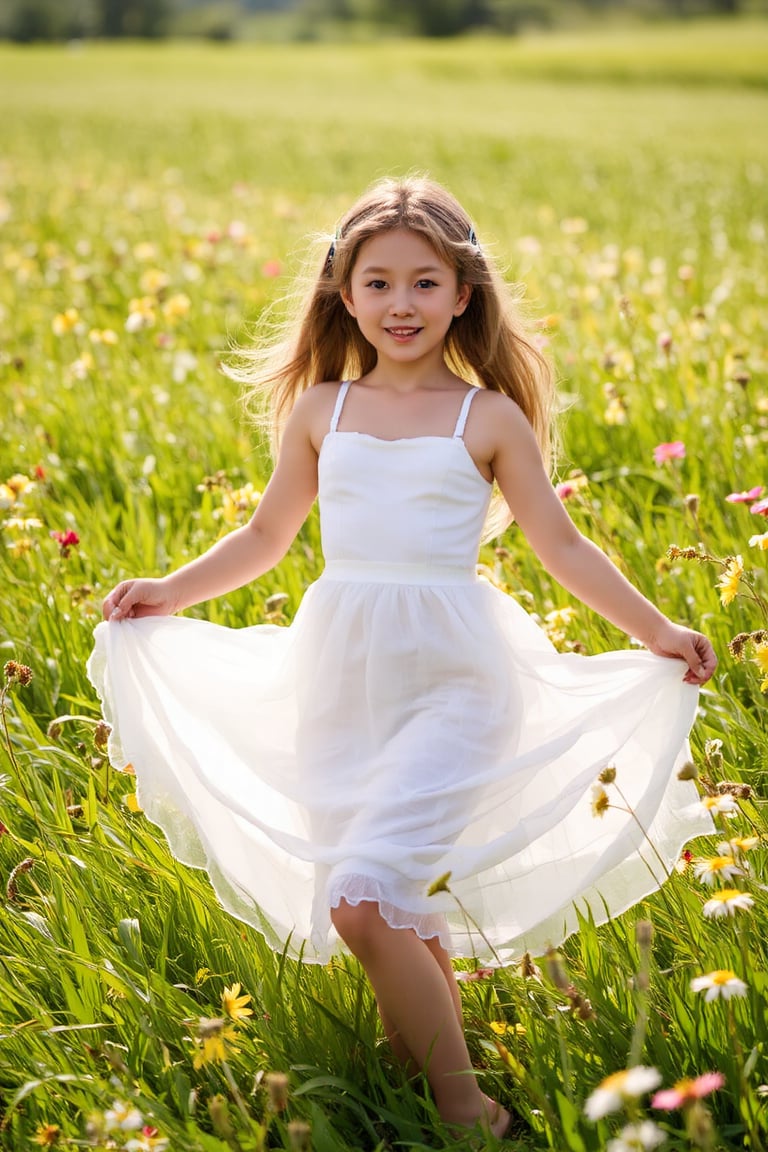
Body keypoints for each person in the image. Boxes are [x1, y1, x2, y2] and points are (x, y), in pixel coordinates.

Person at [88, 175, 716, 1138]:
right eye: (378, 283)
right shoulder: (321, 411)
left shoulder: (488, 418)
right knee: (402, 900)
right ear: (345, 295)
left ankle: (468, 1113)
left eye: (425, 283)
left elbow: (564, 548)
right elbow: (265, 537)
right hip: (341, 678)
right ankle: (429, 1075)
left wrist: (659, 632)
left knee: (363, 900)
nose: (401, 304)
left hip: (456, 677)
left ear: (464, 293)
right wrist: (170, 589)